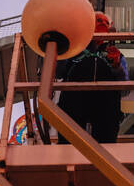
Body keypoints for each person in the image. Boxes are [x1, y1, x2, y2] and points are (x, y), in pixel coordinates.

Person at [55, 12, 128, 143]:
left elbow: (125, 88)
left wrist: (117, 66)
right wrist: (62, 48)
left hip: (105, 102)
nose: (103, 24)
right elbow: (58, 72)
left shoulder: (116, 55)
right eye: (99, 20)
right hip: (74, 99)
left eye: (106, 23)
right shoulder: (74, 48)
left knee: (106, 142)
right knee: (68, 141)